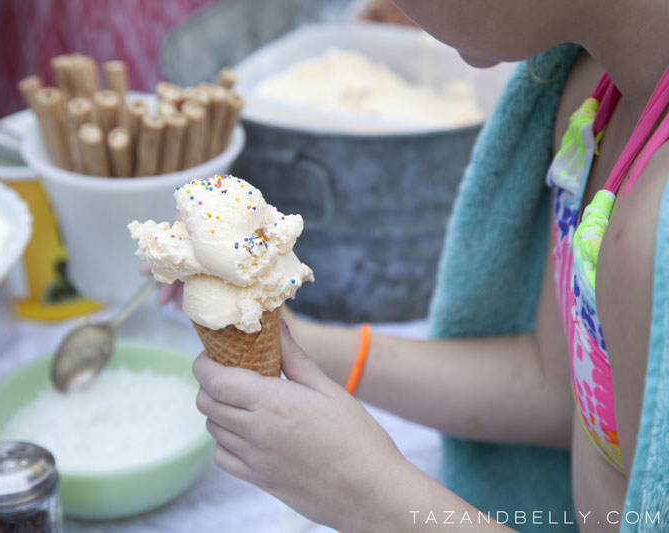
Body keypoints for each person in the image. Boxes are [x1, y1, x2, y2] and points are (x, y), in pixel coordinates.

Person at [160, 1, 669, 530]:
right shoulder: (592, 99)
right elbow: (558, 386)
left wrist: (369, 494)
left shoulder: (655, 231)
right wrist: (300, 344)